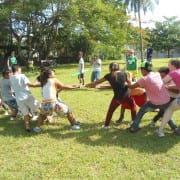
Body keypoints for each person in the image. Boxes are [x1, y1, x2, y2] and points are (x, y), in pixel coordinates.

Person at [127, 61, 179, 134]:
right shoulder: (157, 74)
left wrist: (125, 83)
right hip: (166, 100)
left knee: (142, 110)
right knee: (166, 113)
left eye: (141, 70)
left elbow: (132, 87)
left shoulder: (144, 79)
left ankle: (134, 127)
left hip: (155, 102)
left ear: (143, 70)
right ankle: (175, 128)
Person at [86, 62, 137, 129]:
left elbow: (97, 82)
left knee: (110, 111)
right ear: (118, 67)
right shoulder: (124, 73)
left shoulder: (108, 75)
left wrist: (87, 85)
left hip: (117, 98)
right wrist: (129, 75)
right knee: (133, 106)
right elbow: (130, 83)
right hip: (127, 95)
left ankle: (106, 125)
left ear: (110, 68)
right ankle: (133, 122)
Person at [33, 68, 81, 133]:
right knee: (68, 110)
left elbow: (57, 89)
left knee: (42, 115)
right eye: (53, 73)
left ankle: (37, 128)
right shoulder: (54, 80)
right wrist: (75, 87)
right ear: (49, 75)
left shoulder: (43, 82)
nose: (54, 74)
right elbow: (63, 86)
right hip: (53, 103)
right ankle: (73, 125)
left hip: (44, 104)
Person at [10, 65, 40, 131]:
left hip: (19, 99)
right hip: (27, 96)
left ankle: (27, 127)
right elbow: (31, 85)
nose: (21, 70)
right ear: (18, 69)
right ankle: (49, 117)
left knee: (25, 114)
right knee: (39, 106)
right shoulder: (22, 76)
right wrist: (38, 81)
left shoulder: (11, 78)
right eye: (20, 69)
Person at [155, 59, 180, 137]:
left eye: (169, 65)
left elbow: (161, 82)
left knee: (169, 109)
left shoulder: (173, 73)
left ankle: (160, 131)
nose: (168, 67)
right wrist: (169, 87)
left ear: (173, 65)